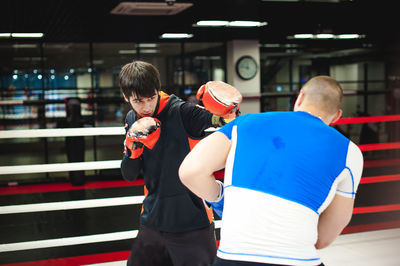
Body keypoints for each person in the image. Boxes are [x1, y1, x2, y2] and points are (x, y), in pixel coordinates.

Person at [179, 75, 364, 266]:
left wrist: (220, 197)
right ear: (337, 115)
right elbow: (325, 237)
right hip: (299, 259)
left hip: (233, 257)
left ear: (299, 97)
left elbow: (190, 171)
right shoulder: (351, 152)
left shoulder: (245, 123)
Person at [119, 60, 241, 266]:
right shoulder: (133, 119)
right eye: (139, 101)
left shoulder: (182, 112)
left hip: (192, 223)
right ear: (126, 97)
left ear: (158, 91)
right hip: (153, 221)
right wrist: (132, 150)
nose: (147, 106)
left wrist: (229, 112)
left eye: (151, 98)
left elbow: (224, 122)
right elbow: (129, 175)